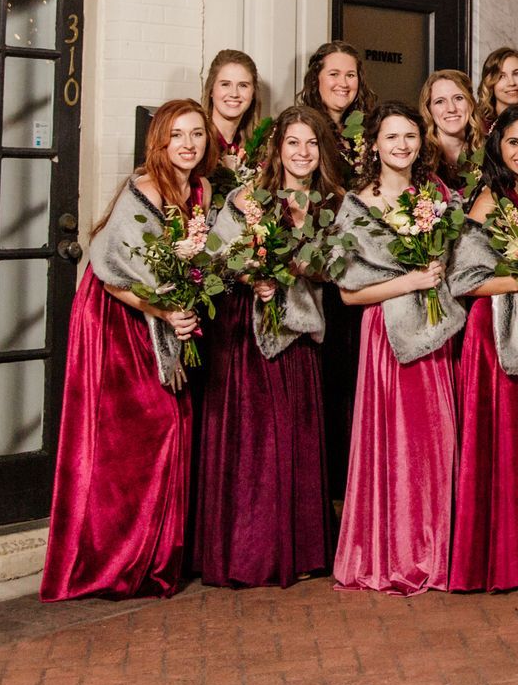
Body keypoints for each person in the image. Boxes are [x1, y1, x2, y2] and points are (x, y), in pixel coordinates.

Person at [42, 100, 215, 601]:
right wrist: (163, 311)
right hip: (118, 316)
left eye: (197, 135)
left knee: (173, 428)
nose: (187, 144)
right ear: (158, 142)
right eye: (177, 135)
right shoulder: (144, 191)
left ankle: (156, 559)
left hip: (161, 314)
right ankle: (112, 563)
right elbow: (107, 269)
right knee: (133, 439)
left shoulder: (199, 190)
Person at [198, 105, 339, 588]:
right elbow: (214, 260)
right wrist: (250, 275)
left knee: (294, 437)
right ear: (278, 149)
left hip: (301, 331)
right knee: (257, 443)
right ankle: (250, 553)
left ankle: (297, 550)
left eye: (311, 144)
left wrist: (304, 267)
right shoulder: (250, 199)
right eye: (293, 143)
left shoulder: (329, 203)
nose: (302, 153)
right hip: (249, 336)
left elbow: (335, 271)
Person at [333, 102, 466, 595]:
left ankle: (438, 550)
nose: (402, 145)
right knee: (395, 447)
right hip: (385, 338)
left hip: (434, 338)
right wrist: (410, 280)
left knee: (437, 442)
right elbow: (349, 294)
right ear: (374, 144)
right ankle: (394, 553)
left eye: (410, 136)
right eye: (392, 137)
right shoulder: (356, 206)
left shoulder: (436, 197)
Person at [448, 104, 518, 591]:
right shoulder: (489, 201)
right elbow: (463, 280)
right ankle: (499, 560)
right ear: (498, 147)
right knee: (503, 445)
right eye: (514, 143)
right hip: (491, 334)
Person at [298, 40, 375, 502]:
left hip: (358, 269)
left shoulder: (365, 130)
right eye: (334, 74)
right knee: (323, 386)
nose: (343, 83)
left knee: (353, 381)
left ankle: (354, 493)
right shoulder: (303, 127)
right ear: (316, 79)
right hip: (315, 274)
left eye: (350, 75)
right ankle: (325, 496)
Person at [202, 49, 265, 200]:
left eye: (243, 85)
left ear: (253, 92)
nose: (234, 94)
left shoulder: (259, 147)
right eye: (225, 84)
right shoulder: (198, 141)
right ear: (211, 90)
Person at [419, 69, 484, 199]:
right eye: (440, 101)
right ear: (429, 109)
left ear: (470, 104)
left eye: (459, 98)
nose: (451, 109)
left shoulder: (491, 151)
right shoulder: (419, 156)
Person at [476, 46, 518, 133]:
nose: (511, 83)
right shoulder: (477, 129)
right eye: (501, 76)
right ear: (489, 83)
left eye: (517, 74)